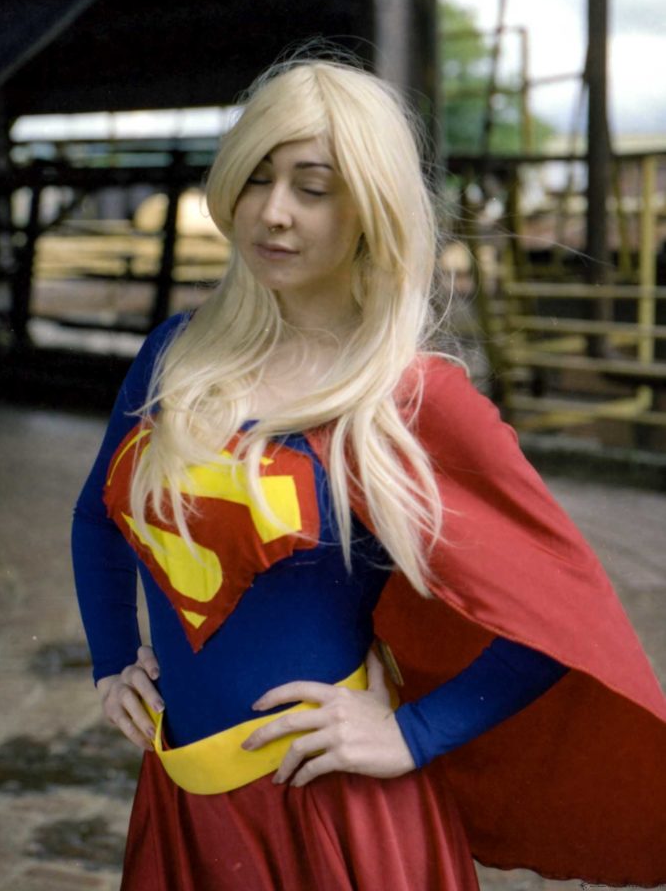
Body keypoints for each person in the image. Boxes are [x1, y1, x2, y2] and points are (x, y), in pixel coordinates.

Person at [72, 57, 666, 891]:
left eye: (313, 188)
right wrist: (111, 658)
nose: (273, 212)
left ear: (370, 209)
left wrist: (413, 734)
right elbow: (99, 516)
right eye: (257, 178)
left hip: (333, 816)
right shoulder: (177, 354)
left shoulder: (408, 397)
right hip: (182, 802)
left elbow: (563, 615)